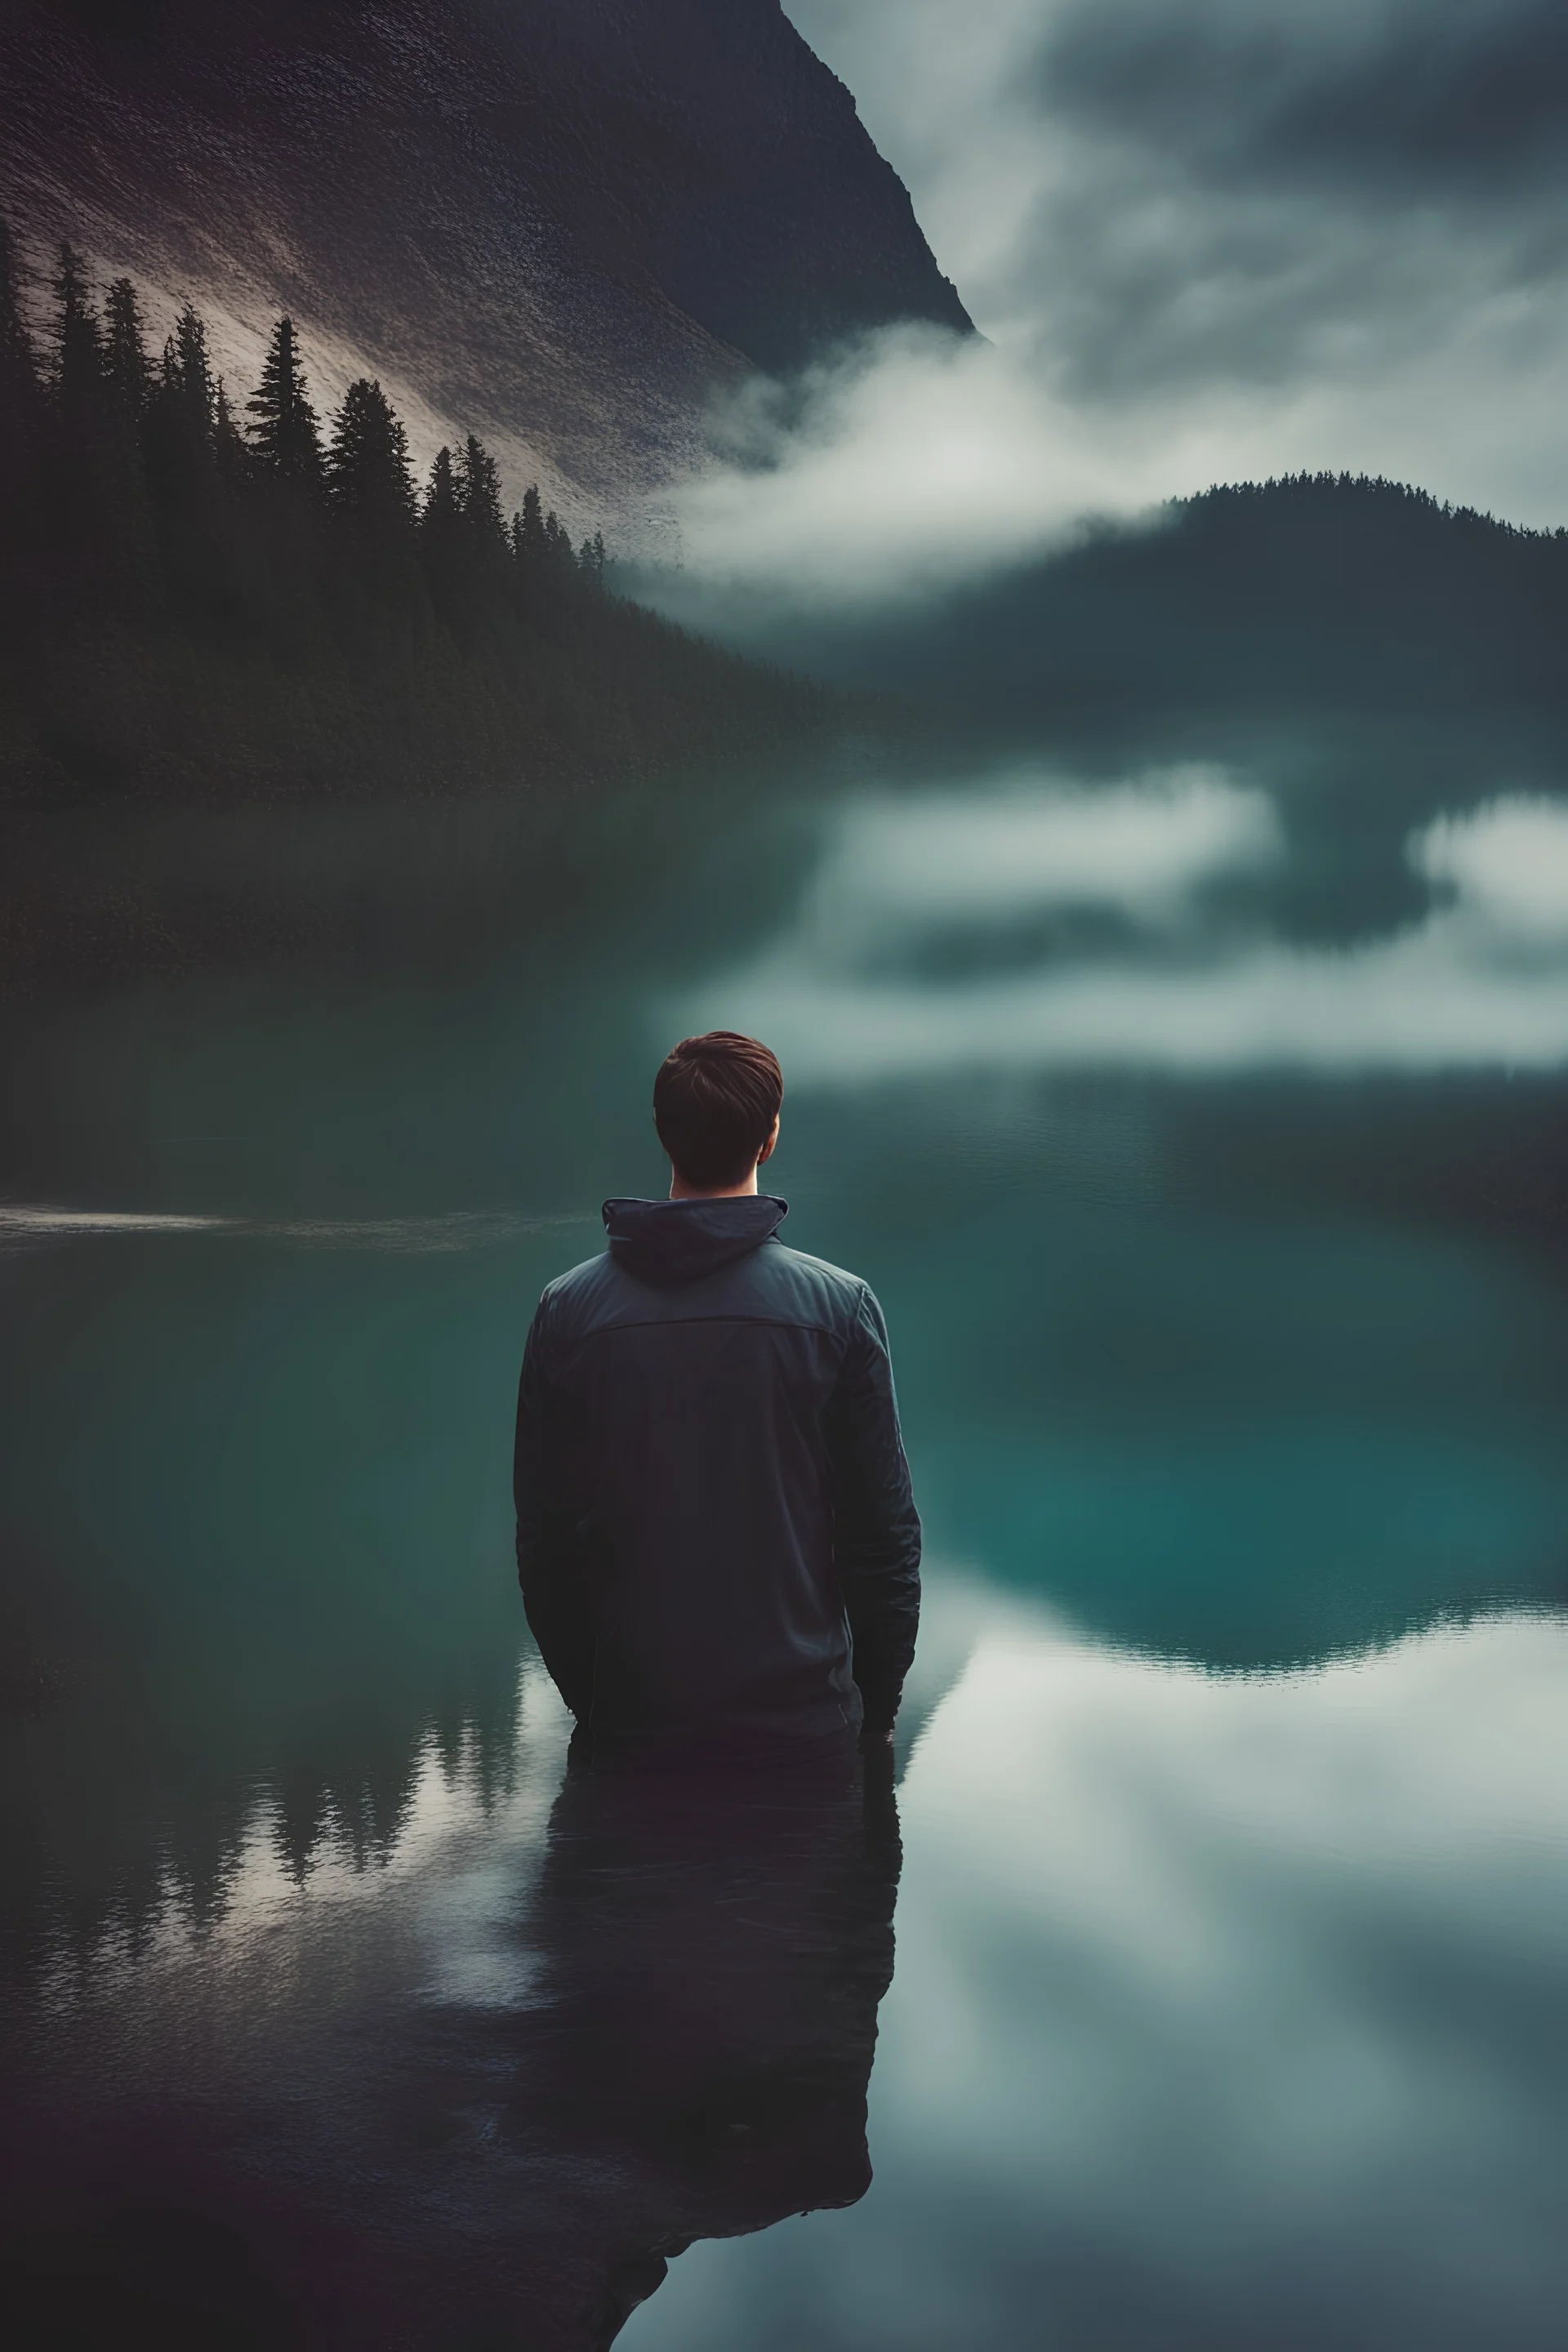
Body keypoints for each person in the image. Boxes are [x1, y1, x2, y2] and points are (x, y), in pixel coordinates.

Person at [513, 1031, 921, 1763]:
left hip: (633, 1734)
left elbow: (545, 1548)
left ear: (664, 1133)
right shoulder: (840, 1310)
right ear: (769, 1138)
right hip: (803, 1732)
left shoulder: (566, 1313)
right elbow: (882, 1539)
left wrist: (596, 1703)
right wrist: (876, 1714)